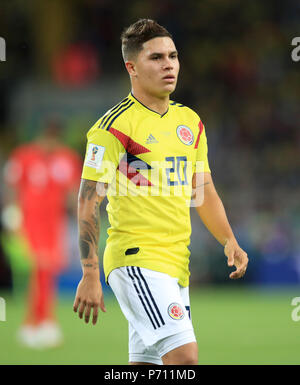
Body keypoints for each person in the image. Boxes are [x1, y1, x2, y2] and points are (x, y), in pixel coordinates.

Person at [73, 19, 248, 365]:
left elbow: (203, 189)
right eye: (156, 58)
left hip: (176, 263)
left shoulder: (190, 123)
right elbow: (88, 199)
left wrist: (229, 239)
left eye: (173, 55)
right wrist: (89, 273)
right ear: (132, 67)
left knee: (146, 366)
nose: (168, 64)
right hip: (137, 259)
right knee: (185, 359)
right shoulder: (114, 127)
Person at [4, 119, 82, 348]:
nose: (50, 145)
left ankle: (38, 323)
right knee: (38, 270)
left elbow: (72, 192)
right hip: (28, 223)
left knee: (48, 272)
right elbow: (11, 186)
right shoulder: (24, 156)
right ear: (41, 136)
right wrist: (10, 212)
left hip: (54, 224)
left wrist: (81, 215)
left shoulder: (66, 158)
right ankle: (37, 322)